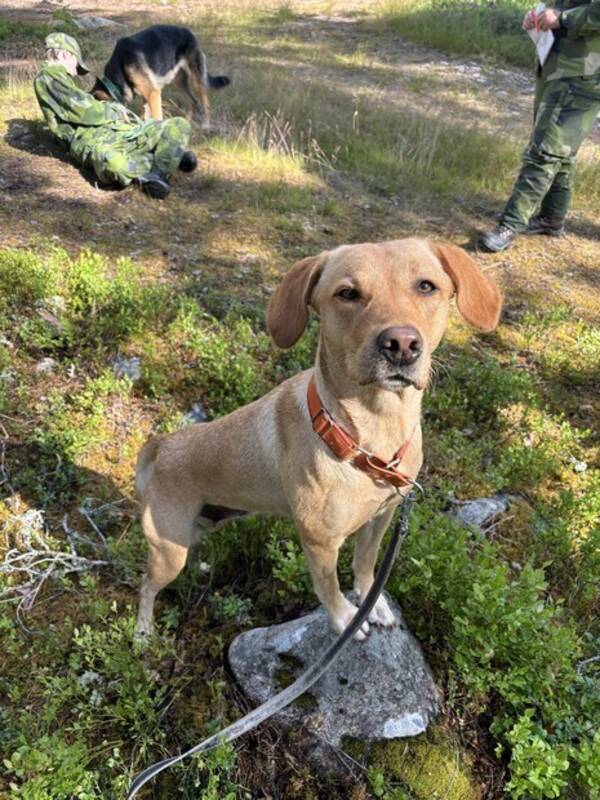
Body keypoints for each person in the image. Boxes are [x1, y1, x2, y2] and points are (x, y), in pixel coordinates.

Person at [480, 2, 600, 252]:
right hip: (555, 62)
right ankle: (552, 218)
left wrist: (563, 18)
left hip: (584, 71)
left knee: (545, 150)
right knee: (560, 149)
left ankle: (510, 225)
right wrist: (539, 14)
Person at [33, 33, 198, 199]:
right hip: (94, 139)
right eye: (76, 64)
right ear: (64, 54)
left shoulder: (59, 79)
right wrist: (113, 110)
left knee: (179, 124)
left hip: (119, 132)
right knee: (115, 164)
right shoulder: (50, 75)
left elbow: (88, 107)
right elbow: (87, 112)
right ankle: (165, 158)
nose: (75, 71)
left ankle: (158, 170)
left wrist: (114, 110)